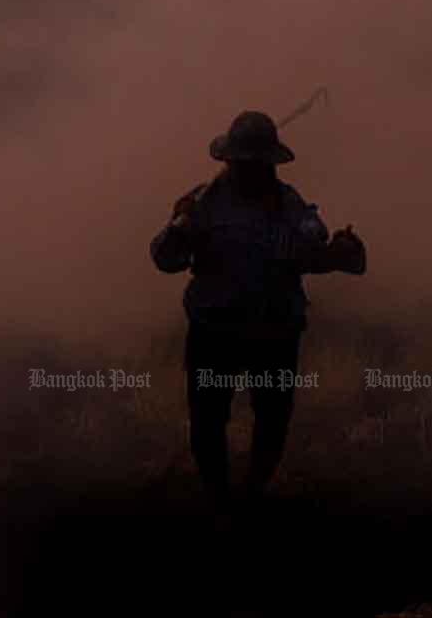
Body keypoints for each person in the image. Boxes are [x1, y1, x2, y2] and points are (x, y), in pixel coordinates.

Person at [151, 110, 365, 507]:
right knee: (208, 419)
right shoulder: (203, 203)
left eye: (257, 164)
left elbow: (314, 250)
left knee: (272, 417)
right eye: (244, 163)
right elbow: (164, 258)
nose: (251, 171)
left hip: (273, 330)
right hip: (215, 329)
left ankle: (252, 493)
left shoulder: (290, 206)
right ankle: (219, 496)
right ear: (231, 162)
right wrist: (180, 225)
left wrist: (337, 250)